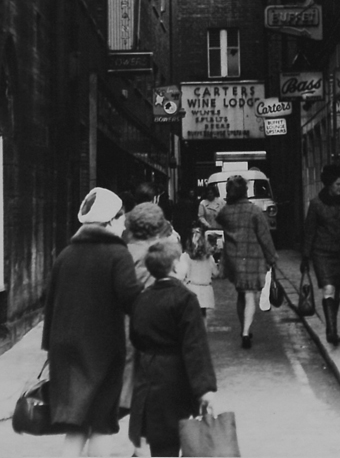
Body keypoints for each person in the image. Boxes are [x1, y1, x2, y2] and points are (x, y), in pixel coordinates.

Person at [42, 188, 143, 457]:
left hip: (64, 353)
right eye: (121, 217)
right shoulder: (117, 255)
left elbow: (50, 307)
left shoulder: (65, 254)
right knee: (99, 426)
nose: (124, 223)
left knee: (75, 428)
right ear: (110, 220)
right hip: (101, 353)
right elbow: (132, 301)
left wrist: (50, 348)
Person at [129, 240, 217, 458]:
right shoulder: (186, 299)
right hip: (177, 381)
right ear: (176, 267)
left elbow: (135, 337)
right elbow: (194, 346)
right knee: (181, 438)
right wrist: (204, 389)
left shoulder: (142, 298)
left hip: (148, 379)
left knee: (159, 443)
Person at [120, 202, 178, 455]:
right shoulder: (154, 257)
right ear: (157, 230)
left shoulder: (121, 252)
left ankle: (137, 447)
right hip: (145, 334)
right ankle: (140, 449)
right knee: (145, 394)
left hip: (120, 329)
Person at [302, 164, 340, 346]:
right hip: (322, 253)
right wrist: (305, 256)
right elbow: (309, 231)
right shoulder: (316, 204)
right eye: (337, 184)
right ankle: (331, 330)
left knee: (336, 291)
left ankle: (332, 324)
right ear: (328, 184)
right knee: (328, 288)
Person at [217, 174, 277, 349]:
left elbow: (218, 220)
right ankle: (245, 332)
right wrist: (272, 258)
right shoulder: (255, 211)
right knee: (251, 295)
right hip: (253, 257)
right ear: (245, 191)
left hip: (234, 258)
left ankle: (244, 327)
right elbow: (265, 238)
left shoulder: (225, 212)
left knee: (241, 294)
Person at [177, 226, 218, 316]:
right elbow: (215, 273)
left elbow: (180, 276)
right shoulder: (208, 257)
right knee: (203, 316)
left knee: (191, 316)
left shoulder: (185, 256)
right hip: (205, 289)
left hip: (191, 289)